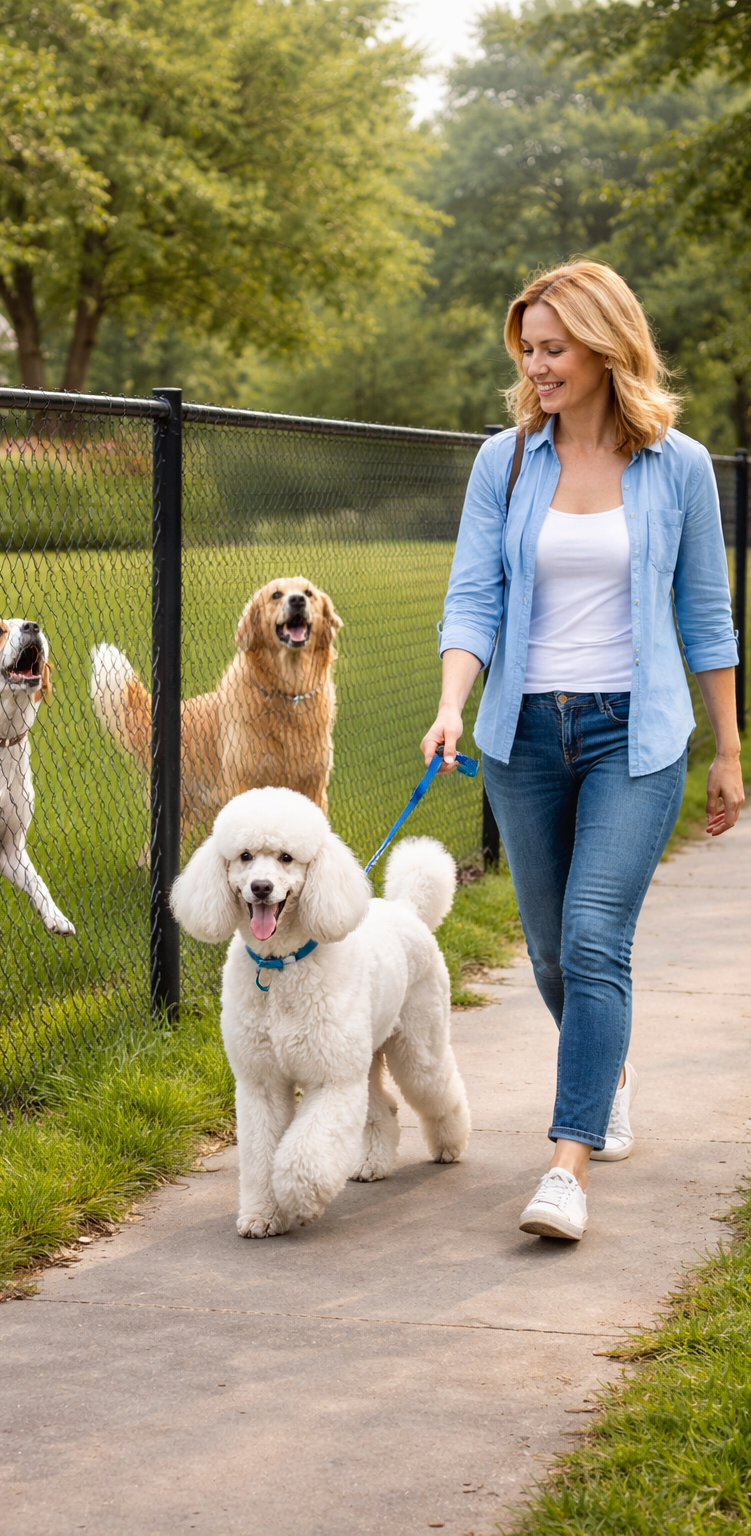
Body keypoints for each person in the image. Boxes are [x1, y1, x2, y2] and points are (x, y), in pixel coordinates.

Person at [423, 260, 743, 1242]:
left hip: (632, 736)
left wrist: (727, 751)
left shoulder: (677, 465)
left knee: (597, 936)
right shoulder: (505, 460)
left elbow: (705, 616)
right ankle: (605, 1068)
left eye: (554, 347)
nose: (536, 363)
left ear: (605, 347)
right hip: (524, 732)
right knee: (554, 948)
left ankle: (566, 1165)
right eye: (528, 347)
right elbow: (473, 595)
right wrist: (449, 705)